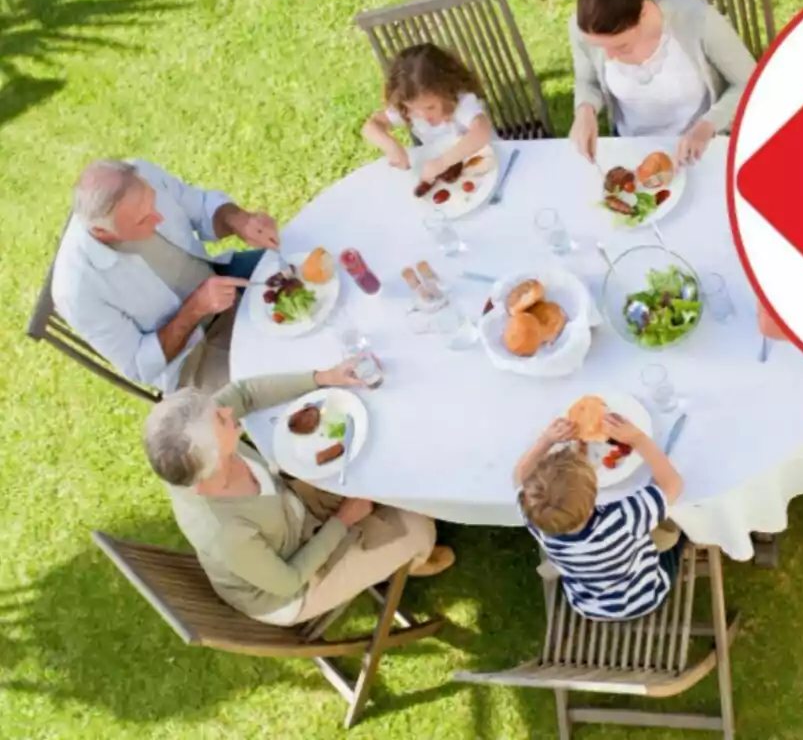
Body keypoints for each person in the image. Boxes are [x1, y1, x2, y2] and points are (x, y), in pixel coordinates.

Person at [143, 361, 456, 626]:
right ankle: (415, 558)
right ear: (212, 461)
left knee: (373, 455)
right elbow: (290, 578)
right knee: (418, 528)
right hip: (295, 587)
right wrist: (344, 520)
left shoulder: (197, 456)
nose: (228, 411)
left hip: (291, 513)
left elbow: (244, 394)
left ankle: (379, 544)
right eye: (222, 420)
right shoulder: (224, 532)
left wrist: (321, 378)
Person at [52, 159, 281, 395]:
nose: (158, 218)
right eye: (143, 220)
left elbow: (202, 207)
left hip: (222, 277)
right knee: (277, 381)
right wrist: (195, 308)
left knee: (300, 260)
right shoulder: (75, 289)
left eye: (152, 202)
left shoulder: (141, 175)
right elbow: (139, 365)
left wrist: (237, 220)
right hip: (193, 356)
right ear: (102, 232)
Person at [568, 0, 756, 166]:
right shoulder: (587, 29)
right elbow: (587, 81)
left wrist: (709, 125)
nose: (608, 57)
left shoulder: (698, 19)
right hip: (633, 152)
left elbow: (749, 82)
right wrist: (585, 110)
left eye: (621, 47)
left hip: (703, 147)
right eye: (600, 47)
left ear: (644, 12)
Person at [514, 412, 684, 621]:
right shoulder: (623, 518)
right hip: (647, 594)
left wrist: (546, 440)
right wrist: (638, 439)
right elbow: (673, 484)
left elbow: (520, 476)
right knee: (679, 531)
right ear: (593, 501)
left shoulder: (532, 515)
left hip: (588, 604)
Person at [361, 43, 495, 185]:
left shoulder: (460, 102)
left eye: (430, 107)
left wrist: (443, 162)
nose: (422, 115)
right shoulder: (409, 109)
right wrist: (391, 146)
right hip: (456, 177)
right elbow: (371, 126)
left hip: (491, 162)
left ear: (447, 91)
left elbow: (481, 130)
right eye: (413, 108)